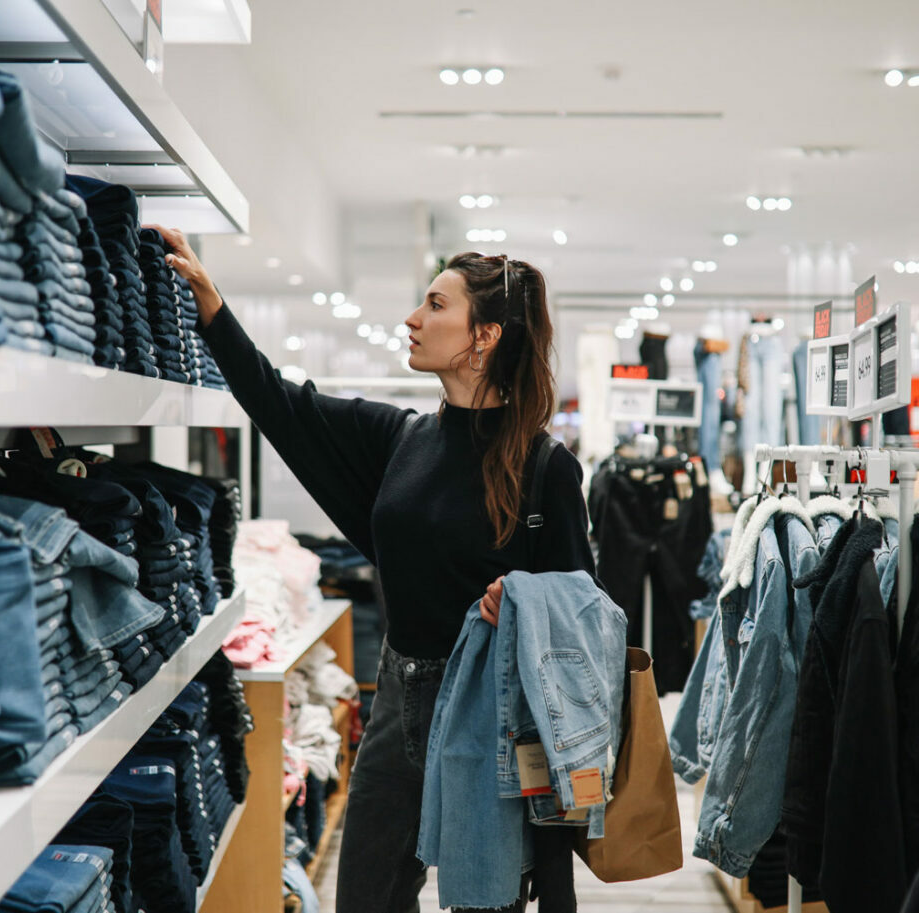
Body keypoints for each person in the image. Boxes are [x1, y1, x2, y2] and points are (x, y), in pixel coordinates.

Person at [149, 225, 595, 912]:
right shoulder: (400, 439)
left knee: (489, 901)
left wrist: (527, 596)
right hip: (398, 696)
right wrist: (212, 308)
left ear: (486, 336)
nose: (413, 319)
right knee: (367, 897)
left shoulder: (546, 469)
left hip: (492, 711)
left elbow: (584, 607)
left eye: (436, 305)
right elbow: (279, 403)